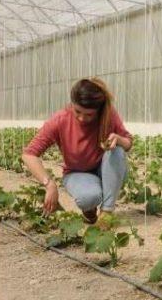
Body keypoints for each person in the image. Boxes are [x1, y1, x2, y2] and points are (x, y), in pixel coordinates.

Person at [22, 77, 132, 224]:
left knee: (117, 152)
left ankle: (107, 212)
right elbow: (29, 154)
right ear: (72, 104)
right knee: (89, 198)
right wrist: (49, 184)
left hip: (106, 170)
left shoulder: (108, 114)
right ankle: (90, 208)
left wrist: (118, 139)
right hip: (77, 173)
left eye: (89, 115)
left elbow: (128, 143)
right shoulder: (60, 120)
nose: (81, 118)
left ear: (98, 111)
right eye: (77, 111)